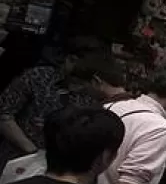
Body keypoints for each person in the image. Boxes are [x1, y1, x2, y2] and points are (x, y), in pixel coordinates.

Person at [0, 36, 106, 166]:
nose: (77, 85)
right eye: (75, 78)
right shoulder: (37, 77)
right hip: (18, 159)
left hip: (61, 168)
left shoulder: (92, 93)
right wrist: (33, 152)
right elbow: (4, 114)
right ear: (70, 59)